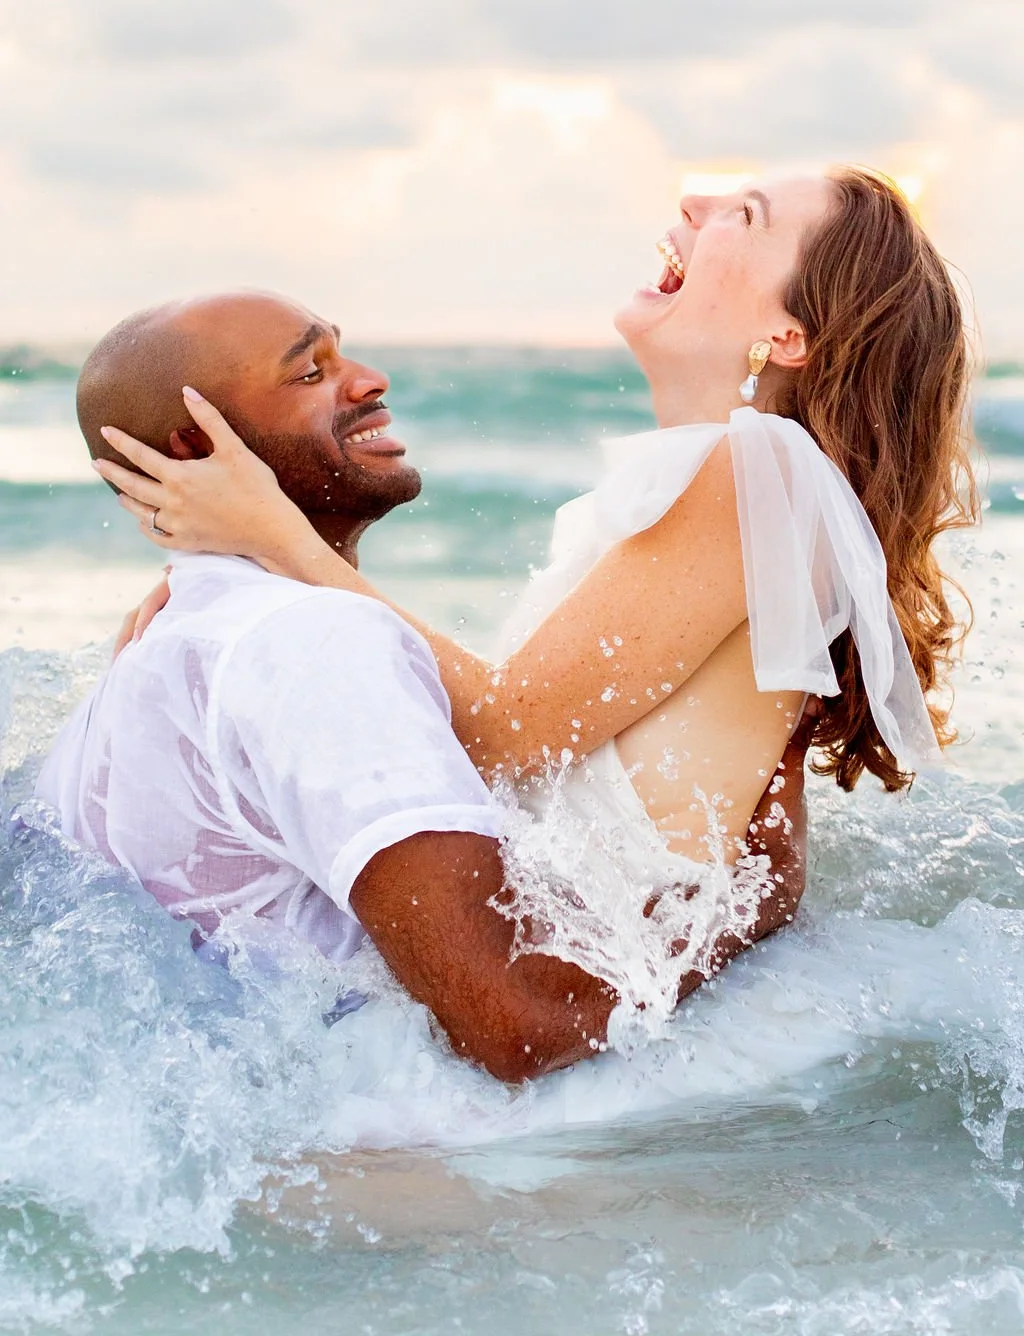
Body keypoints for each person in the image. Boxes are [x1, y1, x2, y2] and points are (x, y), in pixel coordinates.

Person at [36, 291, 808, 1087]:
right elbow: (516, 1027)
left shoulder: (171, 642)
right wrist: (749, 906)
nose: (372, 380)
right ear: (201, 448)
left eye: (345, 353)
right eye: (311, 372)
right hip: (400, 1156)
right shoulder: (314, 646)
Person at [98, 168, 977, 865]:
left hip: (589, 983)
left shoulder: (757, 473)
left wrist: (273, 536)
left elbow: (510, 737)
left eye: (742, 215)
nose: (694, 199)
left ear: (790, 336)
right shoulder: (740, 483)